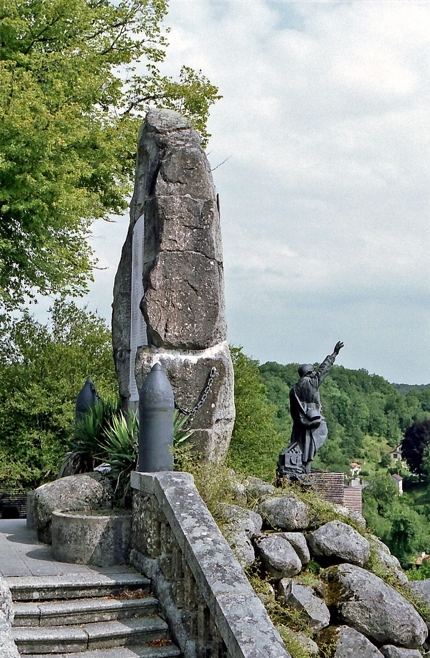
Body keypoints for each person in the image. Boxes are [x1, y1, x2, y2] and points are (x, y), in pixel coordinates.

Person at [280, 341, 344, 477]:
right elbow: (324, 369)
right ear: (309, 372)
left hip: (300, 422)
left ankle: (302, 467)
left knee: (301, 446)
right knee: (312, 445)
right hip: (314, 420)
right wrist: (334, 354)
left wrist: (300, 420)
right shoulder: (312, 382)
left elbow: (293, 410)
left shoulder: (294, 389)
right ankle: (304, 469)